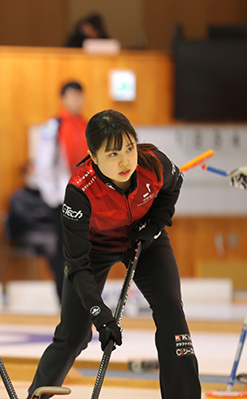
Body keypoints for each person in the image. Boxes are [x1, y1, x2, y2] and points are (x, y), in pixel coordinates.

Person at [27, 109, 201, 399]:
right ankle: (37, 395)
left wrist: (155, 224)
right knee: (74, 335)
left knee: (172, 315)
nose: (125, 161)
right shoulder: (79, 192)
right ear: (93, 158)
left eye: (129, 148)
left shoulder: (153, 163)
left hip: (145, 239)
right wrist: (101, 316)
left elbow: (174, 186)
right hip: (94, 250)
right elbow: (77, 265)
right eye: (112, 154)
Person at [17, 81, 87, 302]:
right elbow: (43, 165)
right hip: (61, 199)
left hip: (83, 199)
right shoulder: (52, 126)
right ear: (63, 98)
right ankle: (63, 296)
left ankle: (80, 296)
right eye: (72, 96)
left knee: (82, 249)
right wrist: (54, 197)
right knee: (63, 250)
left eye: (80, 96)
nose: (77, 100)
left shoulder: (85, 125)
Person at [6, 161, 65, 302]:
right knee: (54, 246)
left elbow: (52, 215)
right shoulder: (18, 196)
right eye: (31, 173)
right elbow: (22, 218)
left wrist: (39, 214)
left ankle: (67, 286)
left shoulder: (46, 195)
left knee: (64, 244)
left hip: (50, 232)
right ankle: (60, 285)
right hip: (27, 234)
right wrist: (40, 215)